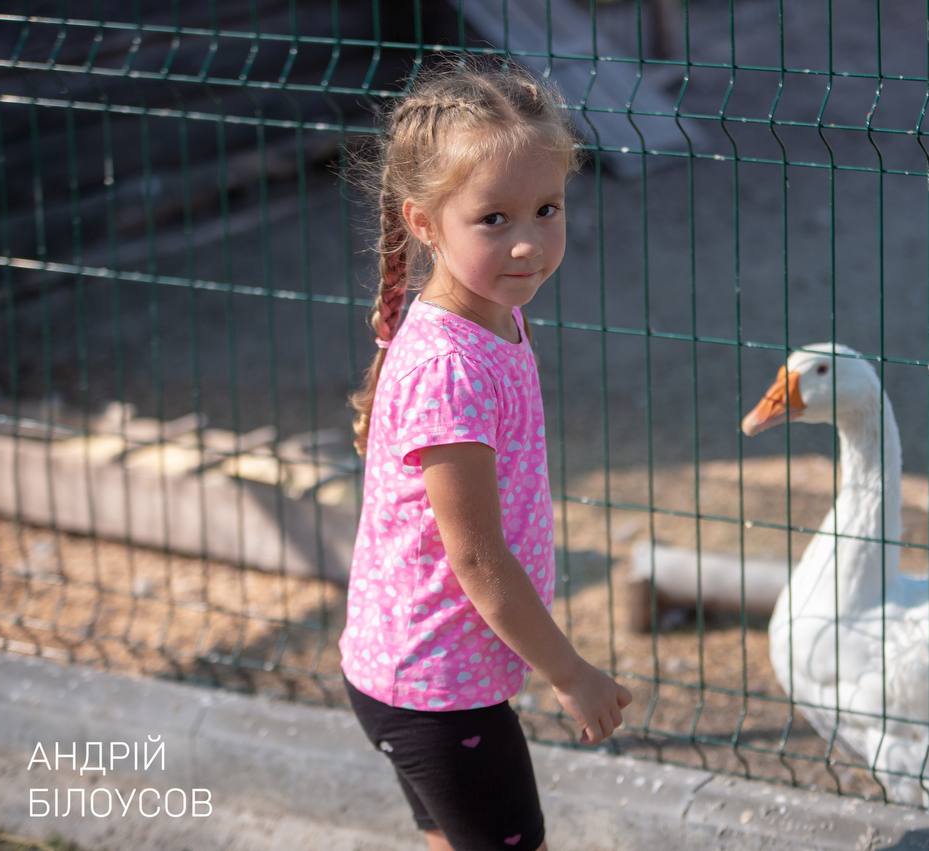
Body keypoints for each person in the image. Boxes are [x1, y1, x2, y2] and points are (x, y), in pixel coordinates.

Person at [338, 56, 633, 851]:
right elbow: (478, 558)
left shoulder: (489, 319)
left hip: (416, 673)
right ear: (425, 223)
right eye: (494, 219)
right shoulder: (450, 367)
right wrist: (570, 672)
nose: (529, 244)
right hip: (437, 692)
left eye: (547, 208)